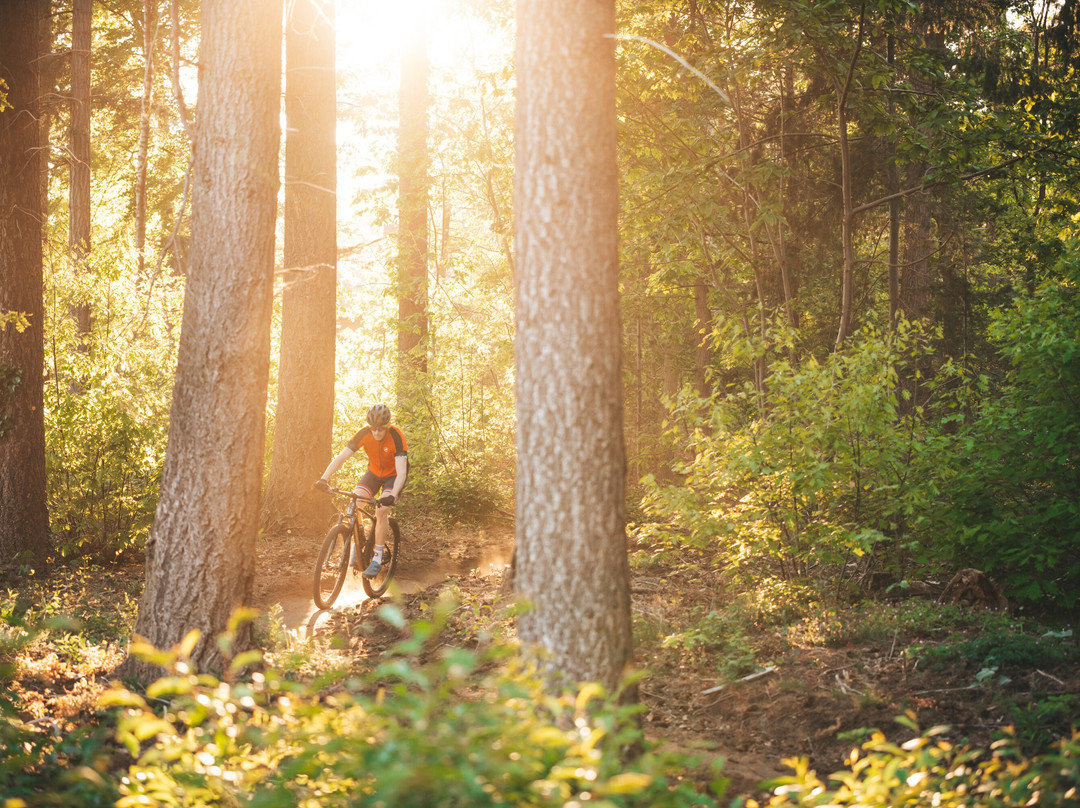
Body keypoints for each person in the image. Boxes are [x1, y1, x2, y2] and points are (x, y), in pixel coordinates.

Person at [314, 403, 407, 578]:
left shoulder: (396, 436)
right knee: (356, 501)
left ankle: (377, 559)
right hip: (373, 473)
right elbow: (342, 457)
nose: (377, 432)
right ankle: (360, 539)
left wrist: (393, 495)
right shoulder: (364, 433)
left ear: (387, 426)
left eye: (381, 429)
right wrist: (324, 478)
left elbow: (402, 471)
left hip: (393, 476)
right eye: (374, 429)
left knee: (381, 511)